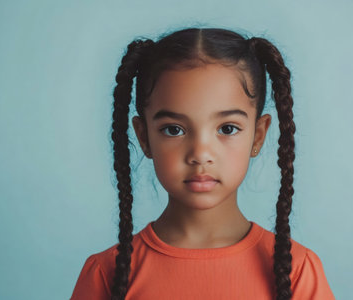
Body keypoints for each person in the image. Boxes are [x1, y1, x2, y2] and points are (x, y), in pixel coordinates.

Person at [70, 27, 335, 300]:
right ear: (144, 137)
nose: (200, 153)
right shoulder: (106, 275)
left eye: (228, 128)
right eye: (174, 129)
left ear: (258, 135)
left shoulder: (298, 272)